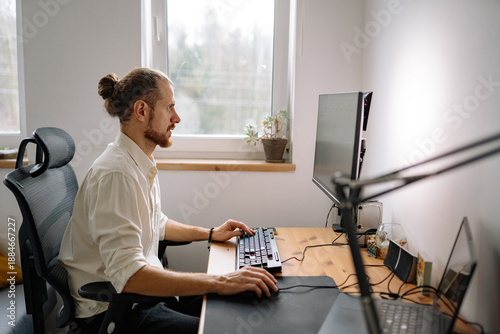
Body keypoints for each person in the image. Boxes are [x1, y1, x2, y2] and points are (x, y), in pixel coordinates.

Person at [59, 67, 278, 334]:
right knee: (227, 326)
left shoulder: (139, 161)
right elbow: (128, 277)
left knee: (253, 297)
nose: (177, 118)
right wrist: (220, 280)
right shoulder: (116, 174)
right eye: (169, 107)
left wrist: (211, 234)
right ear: (142, 111)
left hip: (142, 296)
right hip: (116, 312)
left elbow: (157, 224)